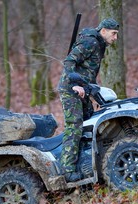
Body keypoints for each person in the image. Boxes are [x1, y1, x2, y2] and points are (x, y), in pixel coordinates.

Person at [57, 18, 119, 182]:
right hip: (71, 89)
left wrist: (94, 93)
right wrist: (74, 84)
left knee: (90, 121)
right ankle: (67, 170)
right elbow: (69, 61)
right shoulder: (90, 42)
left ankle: (85, 163)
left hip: (83, 90)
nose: (115, 38)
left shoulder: (100, 44)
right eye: (113, 34)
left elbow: (87, 72)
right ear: (103, 31)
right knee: (75, 125)